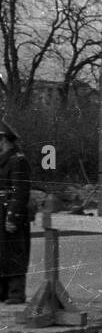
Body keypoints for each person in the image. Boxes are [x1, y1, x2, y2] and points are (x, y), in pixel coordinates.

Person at [0, 121, 32, 305]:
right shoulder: (4, 159)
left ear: (3, 139)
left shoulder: (18, 160)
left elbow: (20, 191)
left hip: (10, 212)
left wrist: (12, 216)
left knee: (14, 253)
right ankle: (3, 292)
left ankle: (16, 293)